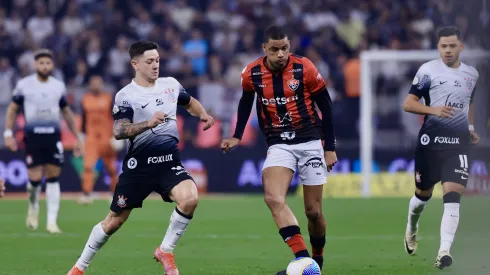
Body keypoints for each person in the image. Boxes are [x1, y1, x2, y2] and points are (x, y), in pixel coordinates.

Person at [67, 40, 214, 275]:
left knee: (190, 198)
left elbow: (189, 103)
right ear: (135, 64)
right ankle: (79, 267)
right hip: (139, 168)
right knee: (114, 221)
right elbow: (119, 130)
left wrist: (203, 114)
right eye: (149, 61)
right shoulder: (126, 95)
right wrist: (148, 123)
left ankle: (165, 250)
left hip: (169, 163)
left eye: (157, 60)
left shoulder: (170, 85)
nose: (155, 65)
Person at [221, 25, 337, 275]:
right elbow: (245, 102)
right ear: (265, 49)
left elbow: (326, 107)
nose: (281, 54)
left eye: (284, 48)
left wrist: (330, 147)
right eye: (275, 49)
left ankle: (317, 261)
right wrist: (237, 135)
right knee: (273, 198)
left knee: (313, 212)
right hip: (278, 143)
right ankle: (306, 263)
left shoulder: (304, 67)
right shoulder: (251, 73)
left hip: (309, 142)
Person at [403, 26, 479, 269]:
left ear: (460, 47)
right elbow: (408, 103)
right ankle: (412, 227)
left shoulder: (471, 75)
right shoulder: (427, 71)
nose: (447, 50)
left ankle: (444, 251)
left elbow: (469, 103)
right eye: (443, 46)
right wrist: (432, 109)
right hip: (430, 144)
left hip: (458, 145)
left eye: (452, 46)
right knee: (421, 197)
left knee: (453, 196)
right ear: (438, 48)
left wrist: (469, 128)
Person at [3, 49, 83, 234]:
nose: (45, 66)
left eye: (48, 63)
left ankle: (52, 222)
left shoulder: (58, 86)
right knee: (34, 180)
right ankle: (33, 206)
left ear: (52, 65)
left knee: (54, 176)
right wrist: (8, 133)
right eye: (41, 63)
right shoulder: (24, 85)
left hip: (53, 137)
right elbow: (12, 110)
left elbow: (67, 113)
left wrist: (78, 136)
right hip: (33, 136)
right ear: (35, 65)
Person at [78, 75, 121, 204]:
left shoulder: (109, 98)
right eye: (93, 83)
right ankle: (87, 194)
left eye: (98, 83)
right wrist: (80, 137)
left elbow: (117, 117)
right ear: (90, 85)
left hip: (107, 138)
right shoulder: (85, 99)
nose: (96, 85)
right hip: (91, 139)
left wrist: (117, 135)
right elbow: (83, 120)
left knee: (112, 169)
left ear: (102, 85)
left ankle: (114, 194)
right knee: (88, 166)